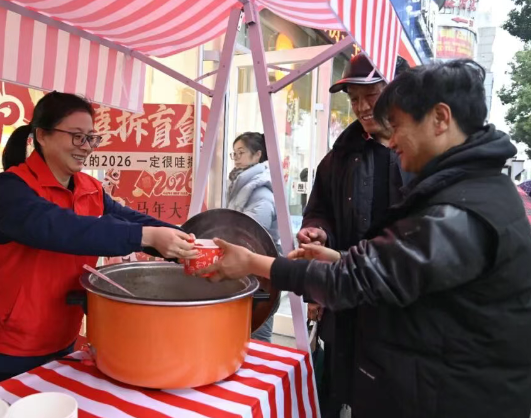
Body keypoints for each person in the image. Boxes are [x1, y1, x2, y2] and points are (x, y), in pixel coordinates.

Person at [197, 59, 531, 418]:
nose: (391, 139)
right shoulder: (470, 189)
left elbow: (365, 276)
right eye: (354, 99)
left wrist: (252, 263)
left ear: (440, 118)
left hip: (452, 394)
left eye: (397, 124)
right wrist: (338, 254)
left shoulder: (461, 210)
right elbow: (394, 264)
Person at [0, 91, 198, 390]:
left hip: (63, 335)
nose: (86, 147)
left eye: (91, 138)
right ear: (42, 135)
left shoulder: (90, 187)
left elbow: (131, 219)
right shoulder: (10, 189)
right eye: (77, 137)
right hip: (7, 346)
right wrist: (145, 237)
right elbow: (60, 228)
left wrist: (189, 242)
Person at [296, 53, 411, 417]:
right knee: (341, 386)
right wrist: (317, 231)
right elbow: (320, 210)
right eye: (354, 99)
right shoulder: (339, 157)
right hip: (346, 297)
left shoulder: (421, 154)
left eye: (370, 96)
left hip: (401, 307)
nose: (361, 107)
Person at [227, 132, 281, 342]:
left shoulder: (261, 193)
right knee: (245, 328)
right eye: (234, 153)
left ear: (258, 155)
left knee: (258, 329)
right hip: (249, 269)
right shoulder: (241, 186)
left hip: (262, 273)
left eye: (241, 152)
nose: (236, 158)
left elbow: (250, 235)